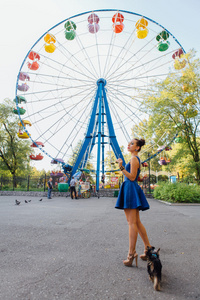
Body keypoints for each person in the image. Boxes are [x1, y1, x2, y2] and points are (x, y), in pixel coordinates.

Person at [115, 138, 152, 267]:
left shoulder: (133, 159)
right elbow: (137, 177)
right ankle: (148, 249)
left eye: (132, 144)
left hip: (130, 188)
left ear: (137, 148)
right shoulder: (136, 159)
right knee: (136, 222)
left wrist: (121, 166)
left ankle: (131, 254)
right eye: (129, 143)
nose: (129, 145)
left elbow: (131, 177)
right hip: (131, 187)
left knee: (131, 223)